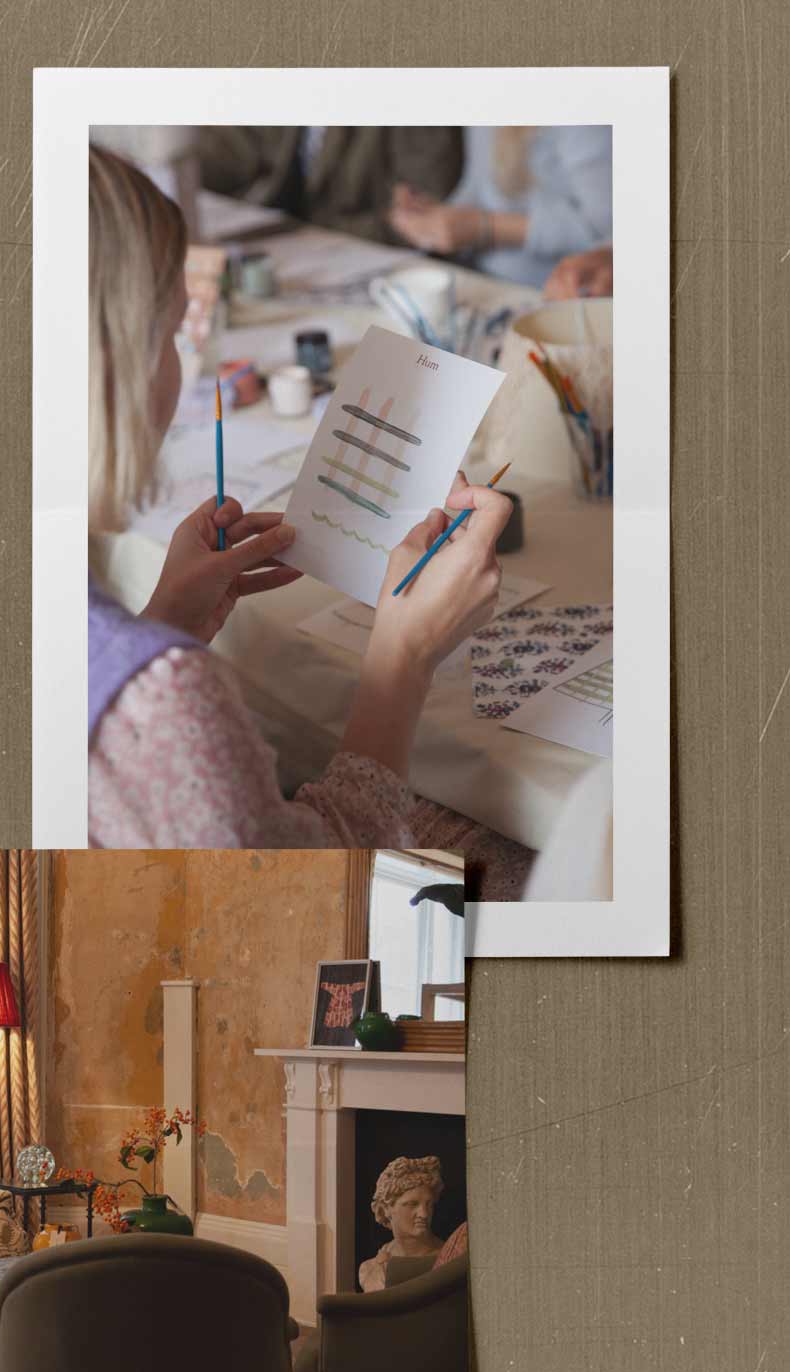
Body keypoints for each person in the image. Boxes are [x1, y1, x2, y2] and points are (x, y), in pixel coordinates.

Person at [85, 146, 511, 849]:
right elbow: (311, 911)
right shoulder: (170, 707)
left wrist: (164, 621)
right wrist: (402, 660)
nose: (177, 365)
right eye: (167, 335)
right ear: (115, 367)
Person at [387, 126, 612, 288]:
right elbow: (480, 187)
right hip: (479, 279)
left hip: (546, 289)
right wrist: (435, 216)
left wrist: (486, 227)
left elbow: (606, 230)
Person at [196, 126, 463, 245]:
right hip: (291, 249)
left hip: (370, 257)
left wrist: (304, 232)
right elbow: (231, 149)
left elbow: (422, 217)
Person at [358, 1155, 447, 1292]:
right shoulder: (371, 1269)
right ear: (385, 1209)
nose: (424, 1214)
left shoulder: (447, 1258)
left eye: (429, 1205)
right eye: (412, 1204)